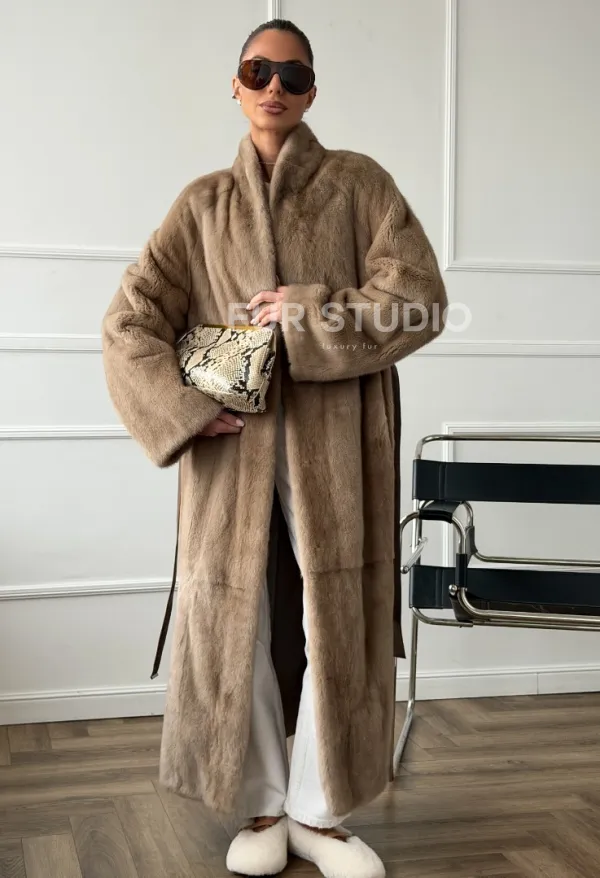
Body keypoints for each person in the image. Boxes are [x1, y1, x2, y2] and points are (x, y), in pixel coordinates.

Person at [101, 17, 447, 878]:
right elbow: (130, 321)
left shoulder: (359, 184)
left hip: (338, 447)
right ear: (236, 83)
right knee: (237, 618)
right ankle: (260, 801)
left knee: (335, 618)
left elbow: (421, 299)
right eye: (258, 71)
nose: (274, 88)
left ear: (312, 91)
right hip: (232, 451)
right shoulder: (201, 206)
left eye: (292, 75)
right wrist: (183, 410)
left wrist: (312, 309)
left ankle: (320, 814)